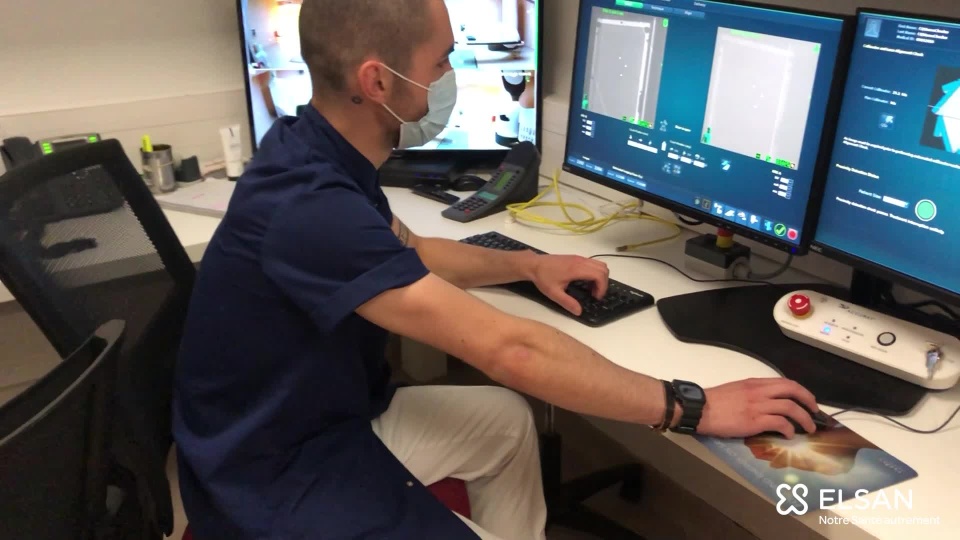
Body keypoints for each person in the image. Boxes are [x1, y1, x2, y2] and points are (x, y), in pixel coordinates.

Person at [172, 0, 824, 538]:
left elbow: (414, 252)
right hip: (270, 472)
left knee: (506, 423)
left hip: (312, 418)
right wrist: (689, 406)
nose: (450, 75)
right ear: (377, 82)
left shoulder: (316, 147)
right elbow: (511, 350)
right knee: (512, 384)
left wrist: (529, 266)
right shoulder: (309, 207)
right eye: (440, 61)